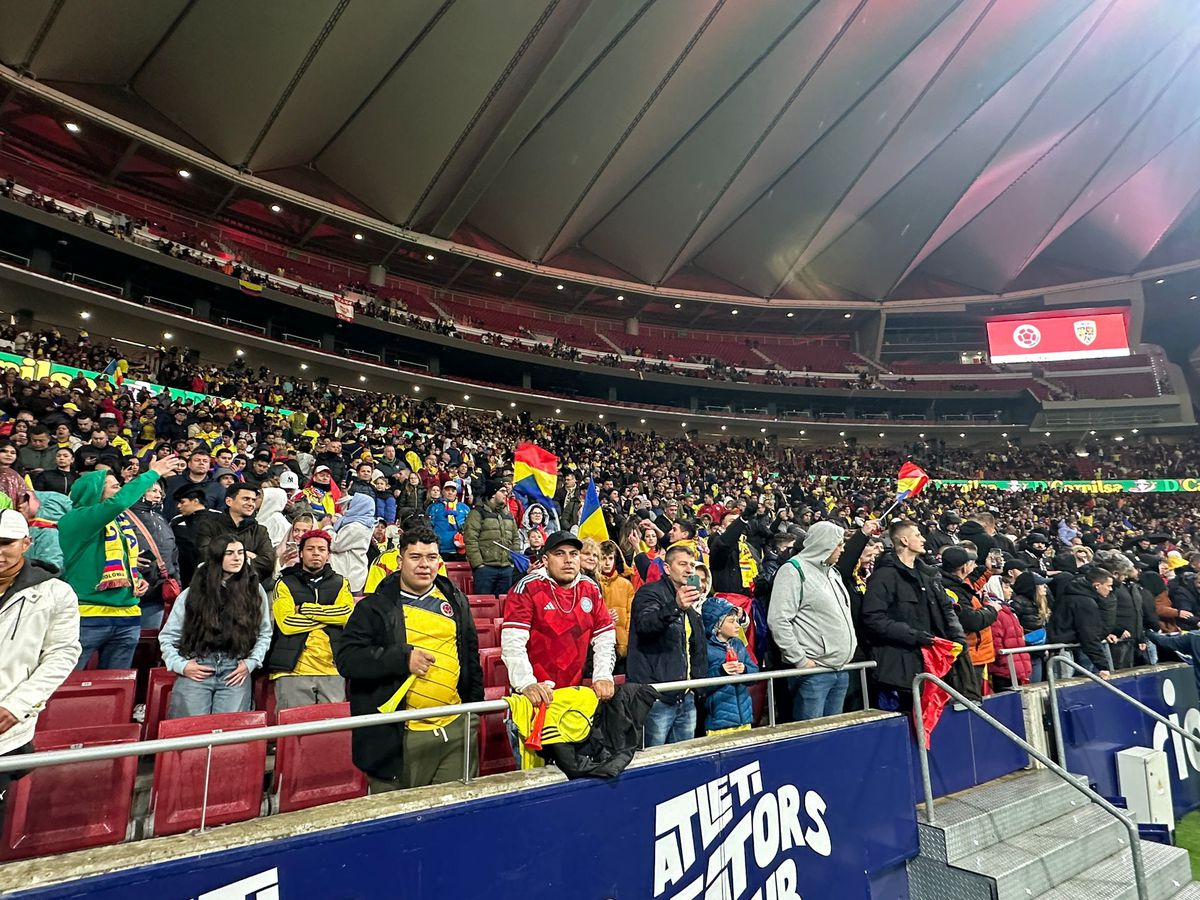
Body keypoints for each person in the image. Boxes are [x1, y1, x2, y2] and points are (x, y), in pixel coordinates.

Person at [336, 527, 482, 791]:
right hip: (399, 736)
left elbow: (470, 655)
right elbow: (348, 659)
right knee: (402, 812)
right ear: (399, 561)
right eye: (415, 557)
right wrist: (401, 659)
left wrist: (474, 712)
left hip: (456, 725)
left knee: (454, 807)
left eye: (431, 557)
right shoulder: (373, 607)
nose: (424, 564)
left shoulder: (456, 600)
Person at [60, 454, 185, 670]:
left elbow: (120, 559)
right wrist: (153, 473)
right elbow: (118, 503)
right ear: (94, 492)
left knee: (116, 684)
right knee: (67, 682)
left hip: (127, 614)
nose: (120, 491)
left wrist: (136, 577)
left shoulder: (120, 523)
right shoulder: (77, 519)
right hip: (88, 615)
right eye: (115, 486)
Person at [0, 508, 81, 828]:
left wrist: (17, 706)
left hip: (5, 727)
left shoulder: (54, 592)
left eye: (6, 543)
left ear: (26, 543)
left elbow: (62, 654)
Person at [501, 531, 616, 716]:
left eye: (574, 554)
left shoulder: (591, 588)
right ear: (545, 560)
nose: (568, 560)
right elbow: (513, 642)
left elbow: (605, 635)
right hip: (535, 697)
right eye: (560, 554)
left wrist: (602, 675)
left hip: (574, 695)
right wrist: (526, 683)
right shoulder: (527, 587)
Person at [159, 536, 272, 717]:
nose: (237, 558)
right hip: (198, 664)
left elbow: (264, 632)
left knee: (229, 730)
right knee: (190, 730)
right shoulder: (193, 592)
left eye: (240, 553)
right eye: (229, 553)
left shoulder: (254, 589)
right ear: (217, 556)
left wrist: (251, 662)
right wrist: (181, 665)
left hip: (235, 668)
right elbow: (168, 636)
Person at [860, 520, 966, 709]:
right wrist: (913, 636)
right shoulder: (884, 576)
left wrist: (957, 638)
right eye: (917, 535)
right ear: (904, 540)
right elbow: (873, 619)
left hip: (930, 667)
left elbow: (945, 610)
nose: (923, 539)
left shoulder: (928, 576)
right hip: (897, 673)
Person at [767, 521, 857, 720]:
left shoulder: (833, 572)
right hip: (814, 673)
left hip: (841, 669)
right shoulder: (793, 570)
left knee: (833, 733)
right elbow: (778, 620)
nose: (842, 549)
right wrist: (800, 660)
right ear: (825, 544)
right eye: (839, 544)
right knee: (812, 733)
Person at [627, 543, 705, 746]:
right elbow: (646, 625)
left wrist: (697, 688)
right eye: (682, 564)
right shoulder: (649, 592)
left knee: (684, 757)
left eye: (691, 565)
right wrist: (675, 607)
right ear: (667, 568)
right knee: (654, 758)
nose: (689, 570)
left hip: (686, 696)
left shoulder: (689, 603)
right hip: (657, 697)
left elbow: (695, 648)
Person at [267, 530, 353, 711]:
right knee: (293, 727)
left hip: (332, 669)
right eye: (310, 549)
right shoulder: (284, 583)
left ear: (328, 555)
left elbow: (346, 615)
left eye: (321, 549)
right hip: (292, 671)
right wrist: (330, 618)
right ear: (300, 553)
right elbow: (287, 624)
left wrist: (305, 609)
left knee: (333, 727)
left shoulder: (340, 583)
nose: (316, 553)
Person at [938, 546, 997, 687]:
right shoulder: (953, 590)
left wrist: (988, 569)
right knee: (968, 695)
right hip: (967, 656)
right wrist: (993, 609)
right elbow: (972, 620)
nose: (974, 567)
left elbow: (973, 582)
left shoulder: (948, 582)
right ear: (964, 567)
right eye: (972, 564)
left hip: (971, 655)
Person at [194, 482, 275, 584]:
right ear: (229, 501)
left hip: (248, 587)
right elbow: (205, 555)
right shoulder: (209, 526)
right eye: (245, 499)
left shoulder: (260, 531)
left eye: (253, 500)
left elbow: (268, 563)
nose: (251, 504)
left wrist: (228, 555)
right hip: (213, 585)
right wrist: (248, 556)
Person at [125, 480, 180, 630]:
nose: (158, 495)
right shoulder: (123, 517)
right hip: (132, 590)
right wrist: (129, 561)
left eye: (160, 492)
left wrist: (177, 582)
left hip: (157, 591)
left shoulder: (161, 518)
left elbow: (173, 554)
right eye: (153, 491)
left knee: (150, 637)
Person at [701, 597, 757, 735]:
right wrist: (721, 671)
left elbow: (755, 673)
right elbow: (701, 686)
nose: (737, 626)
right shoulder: (705, 649)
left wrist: (745, 670)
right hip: (718, 723)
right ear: (717, 626)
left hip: (745, 720)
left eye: (737, 621)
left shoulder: (738, 644)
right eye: (731, 621)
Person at [1049, 567, 1114, 679]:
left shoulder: (1071, 594)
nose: (1111, 589)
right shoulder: (1084, 602)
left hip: (1066, 650)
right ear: (1097, 585)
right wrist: (1102, 666)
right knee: (1066, 685)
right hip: (1066, 652)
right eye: (1108, 586)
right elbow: (1089, 634)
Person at [464, 479, 520, 596]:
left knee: (505, 604)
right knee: (484, 604)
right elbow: (470, 539)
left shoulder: (509, 515)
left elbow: (516, 539)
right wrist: (479, 564)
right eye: (502, 491)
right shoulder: (477, 513)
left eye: (506, 491)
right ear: (493, 494)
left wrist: (512, 562)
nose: (506, 494)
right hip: (485, 570)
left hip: (507, 569)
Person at [983, 575, 1030, 691]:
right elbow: (996, 641)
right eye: (1006, 587)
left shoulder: (1008, 610)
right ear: (996, 588)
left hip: (1015, 668)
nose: (1011, 590)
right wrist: (1004, 663)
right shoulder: (995, 611)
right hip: (1005, 671)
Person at [170, 484, 218, 587]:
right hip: (184, 577)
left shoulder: (219, 518)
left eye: (182, 502)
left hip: (214, 575)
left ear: (195, 501)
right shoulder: (176, 521)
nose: (178, 506)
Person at [329, 492, 375, 593]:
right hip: (350, 574)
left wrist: (327, 526)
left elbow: (335, 544)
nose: (347, 508)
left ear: (359, 507)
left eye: (351, 505)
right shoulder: (362, 523)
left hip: (349, 575)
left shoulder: (356, 527)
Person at [597, 540, 634, 659]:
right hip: (599, 644)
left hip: (622, 645)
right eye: (603, 558)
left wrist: (626, 639)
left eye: (610, 558)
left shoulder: (626, 585)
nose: (607, 563)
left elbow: (630, 615)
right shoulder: (593, 584)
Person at [427, 481, 469, 557]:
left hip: (460, 549)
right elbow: (428, 527)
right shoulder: (433, 507)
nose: (450, 492)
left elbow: (470, 527)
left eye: (453, 490)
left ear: (456, 492)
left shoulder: (464, 507)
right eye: (447, 490)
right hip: (439, 549)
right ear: (443, 492)